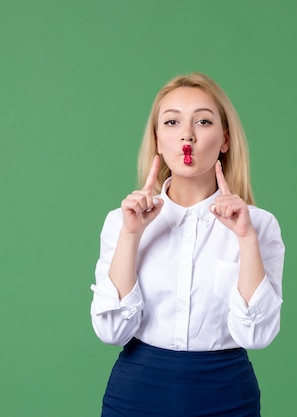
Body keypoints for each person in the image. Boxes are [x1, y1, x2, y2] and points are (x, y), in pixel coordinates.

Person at [90, 72, 284, 417]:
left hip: (227, 395)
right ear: (158, 140)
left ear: (225, 139)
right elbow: (111, 330)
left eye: (203, 121)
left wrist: (246, 238)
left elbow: (256, 336)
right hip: (136, 394)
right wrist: (131, 234)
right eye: (172, 121)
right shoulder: (121, 221)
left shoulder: (259, 226)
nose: (187, 135)